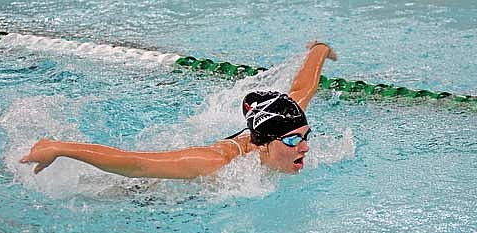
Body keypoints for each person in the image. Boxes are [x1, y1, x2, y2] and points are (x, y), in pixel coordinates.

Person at [20, 42, 337, 179]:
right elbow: (137, 165)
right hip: (140, 194)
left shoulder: (280, 125)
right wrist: (59, 148)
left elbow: (302, 90)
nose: (306, 146)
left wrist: (319, 49)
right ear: (264, 143)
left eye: (306, 136)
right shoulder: (217, 163)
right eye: (295, 141)